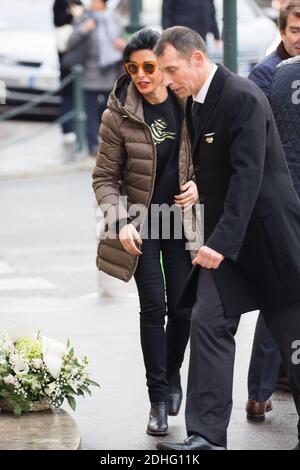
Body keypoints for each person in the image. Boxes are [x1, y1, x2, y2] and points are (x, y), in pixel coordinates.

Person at [154, 25, 300, 451]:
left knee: (293, 341)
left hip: (270, 239)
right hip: (227, 239)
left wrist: (217, 242)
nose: (166, 80)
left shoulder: (242, 96)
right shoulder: (193, 102)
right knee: (208, 322)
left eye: (171, 69)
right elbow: (215, 169)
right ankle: (206, 434)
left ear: (198, 59)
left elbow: (249, 175)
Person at [92, 28, 202, 436]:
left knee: (185, 306)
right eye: (132, 67)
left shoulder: (189, 102)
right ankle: (158, 398)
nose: (141, 74)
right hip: (139, 220)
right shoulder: (118, 113)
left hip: (182, 219)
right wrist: (118, 221)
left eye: (150, 66)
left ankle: (171, 373)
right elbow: (104, 177)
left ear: (163, 64)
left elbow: (213, 155)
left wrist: (199, 184)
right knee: (154, 305)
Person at [246, 0, 300, 421]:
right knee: (278, 300)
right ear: (282, 31)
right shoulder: (266, 74)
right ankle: (260, 390)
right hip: (281, 202)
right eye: (295, 30)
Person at [68, 0, 125, 156]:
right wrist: (83, 29)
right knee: (90, 112)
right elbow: (71, 40)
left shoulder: (114, 18)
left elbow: (124, 39)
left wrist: (122, 44)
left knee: (110, 112)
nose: (92, 3)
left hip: (110, 72)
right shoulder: (84, 17)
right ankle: (93, 144)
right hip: (89, 73)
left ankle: (110, 145)